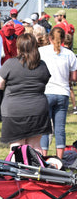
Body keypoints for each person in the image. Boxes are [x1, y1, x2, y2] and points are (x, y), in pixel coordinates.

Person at [0, 33, 51, 153]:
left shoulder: (10, 63)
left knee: (17, 145)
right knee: (35, 145)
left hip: (14, 110)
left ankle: (18, 171)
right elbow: (45, 81)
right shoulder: (42, 65)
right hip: (38, 108)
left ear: (19, 47)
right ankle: (37, 170)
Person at [39, 27, 77, 159]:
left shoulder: (41, 51)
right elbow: (73, 77)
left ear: (49, 38)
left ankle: (43, 157)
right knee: (60, 128)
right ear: (62, 39)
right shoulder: (70, 54)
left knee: (44, 128)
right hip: (63, 92)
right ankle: (59, 159)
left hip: (46, 92)